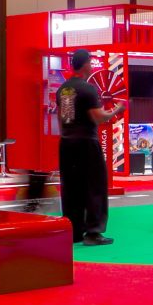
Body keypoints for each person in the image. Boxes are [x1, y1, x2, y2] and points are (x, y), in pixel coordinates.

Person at [46, 49, 126, 245]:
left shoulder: (64, 89)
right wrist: (117, 110)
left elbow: (63, 119)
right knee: (95, 186)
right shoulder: (88, 89)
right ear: (85, 64)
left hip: (67, 143)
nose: (91, 65)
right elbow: (97, 117)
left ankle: (74, 230)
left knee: (71, 187)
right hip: (86, 143)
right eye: (90, 62)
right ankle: (93, 232)